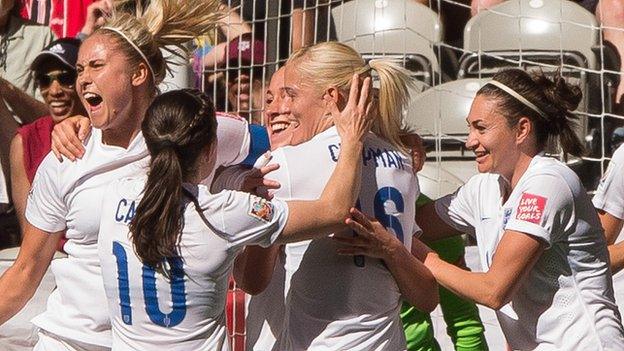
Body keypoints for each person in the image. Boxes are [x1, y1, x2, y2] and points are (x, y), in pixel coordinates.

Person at [0, 0, 227, 349]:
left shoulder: (190, 137)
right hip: (67, 340)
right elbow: (26, 271)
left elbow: (281, 147)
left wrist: (342, 223)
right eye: (80, 69)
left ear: (138, 74)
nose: (83, 78)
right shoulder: (66, 156)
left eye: (96, 65)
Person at [346, 68, 624, 350]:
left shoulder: (548, 182)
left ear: (522, 130)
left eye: (481, 127)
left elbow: (493, 291)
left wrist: (404, 251)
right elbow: (411, 222)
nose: (469, 141)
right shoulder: (484, 188)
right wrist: (397, 158)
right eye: (469, 127)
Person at [97, 78, 371, 349]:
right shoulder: (225, 212)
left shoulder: (114, 196)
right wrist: (352, 140)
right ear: (210, 150)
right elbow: (335, 211)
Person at [235, 41, 438, 351]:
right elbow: (425, 295)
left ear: (330, 97)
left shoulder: (283, 164)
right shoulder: (402, 161)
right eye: (274, 97)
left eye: (290, 94)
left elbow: (252, 280)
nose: (279, 107)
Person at [9, 38, 85, 233]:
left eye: (66, 78)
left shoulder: (107, 131)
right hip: (52, 257)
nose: (54, 91)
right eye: (45, 80)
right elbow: (29, 231)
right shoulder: (25, 141)